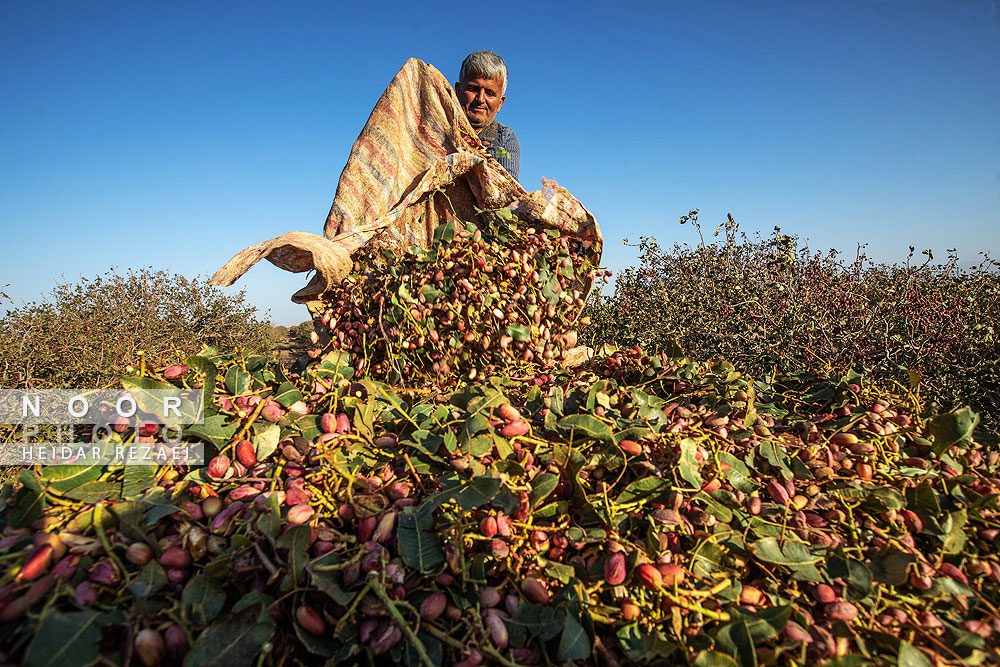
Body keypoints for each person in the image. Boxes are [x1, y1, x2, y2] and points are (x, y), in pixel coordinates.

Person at [455, 51, 520, 181]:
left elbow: (507, 190)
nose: (480, 99)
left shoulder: (505, 139)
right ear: (458, 91)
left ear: (500, 103)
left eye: (490, 93)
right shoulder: (439, 126)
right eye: (473, 89)